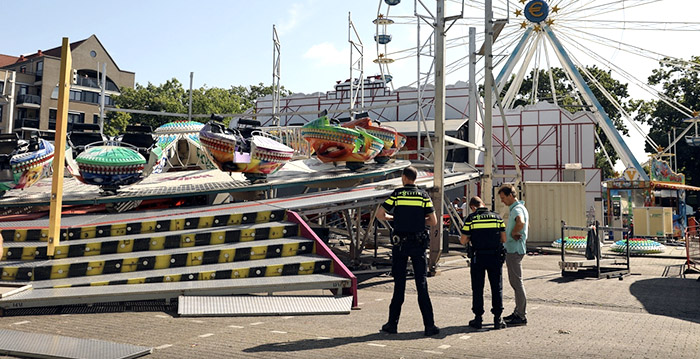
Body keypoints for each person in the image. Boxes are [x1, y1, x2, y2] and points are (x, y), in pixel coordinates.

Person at [377, 166, 440, 336]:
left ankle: (392, 324)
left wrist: (395, 217)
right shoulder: (423, 196)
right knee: (422, 284)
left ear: (404, 177)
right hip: (418, 244)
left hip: (400, 245)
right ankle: (429, 326)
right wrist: (418, 220)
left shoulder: (397, 194)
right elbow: (433, 221)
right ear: (415, 178)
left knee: (399, 285)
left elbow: (380, 214)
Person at [460, 196, 507, 330]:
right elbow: (503, 239)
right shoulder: (497, 218)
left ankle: (478, 318)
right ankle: (497, 319)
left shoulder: (471, 218)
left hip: (478, 257)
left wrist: (471, 236)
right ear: (483, 204)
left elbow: (463, 240)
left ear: (473, 207)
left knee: (477, 288)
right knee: (496, 287)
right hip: (495, 257)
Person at [498, 184, 529, 326]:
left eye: (503, 198)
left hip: (514, 250)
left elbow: (521, 222)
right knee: (516, 283)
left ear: (511, 195)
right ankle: (518, 312)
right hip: (515, 249)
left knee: (517, 283)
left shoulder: (517, 209)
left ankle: (521, 315)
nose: (502, 201)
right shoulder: (519, 208)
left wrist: (514, 233)